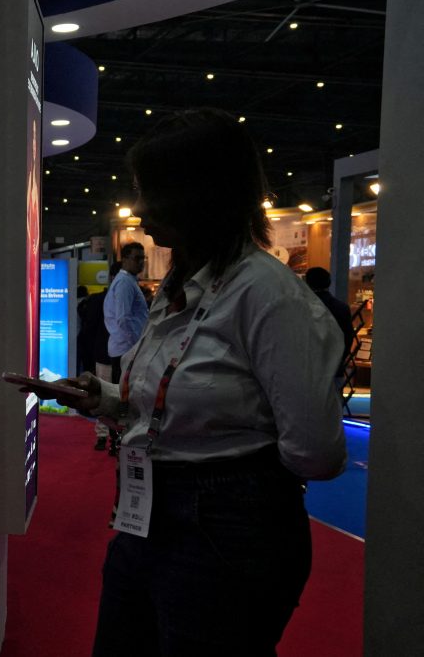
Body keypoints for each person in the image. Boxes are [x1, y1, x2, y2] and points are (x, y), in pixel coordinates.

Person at [45, 108, 347, 656]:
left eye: (150, 190)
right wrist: (105, 398)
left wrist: (232, 474)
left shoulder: (268, 297)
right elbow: (176, 397)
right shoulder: (181, 283)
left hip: (228, 531)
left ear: (199, 194)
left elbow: (316, 453)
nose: (138, 208)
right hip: (151, 514)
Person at [84, 264, 119, 451]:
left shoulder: (101, 299)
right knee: (104, 396)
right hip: (106, 355)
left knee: (115, 396)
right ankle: (105, 436)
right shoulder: (100, 300)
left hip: (117, 356)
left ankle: (111, 437)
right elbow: (90, 330)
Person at [104, 241, 149, 382]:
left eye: (143, 258)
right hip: (127, 349)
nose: (141, 262)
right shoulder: (125, 282)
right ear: (124, 260)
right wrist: (136, 345)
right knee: (124, 395)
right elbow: (123, 318)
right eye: (137, 258)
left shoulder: (127, 281)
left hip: (124, 348)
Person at [305, 266, 356, 375]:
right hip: (335, 367)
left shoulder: (303, 307)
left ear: (307, 283)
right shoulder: (342, 307)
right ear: (329, 282)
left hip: (309, 369)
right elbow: (348, 337)